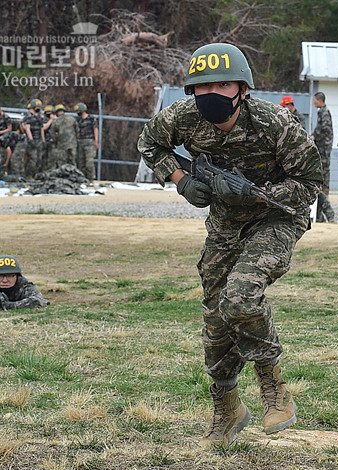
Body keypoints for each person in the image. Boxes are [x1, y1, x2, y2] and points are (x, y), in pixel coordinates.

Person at [137, 42, 322, 449]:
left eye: (222, 85)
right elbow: (149, 143)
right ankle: (227, 410)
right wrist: (181, 180)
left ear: (242, 88)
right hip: (224, 225)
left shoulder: (275, 124)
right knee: (216, 320)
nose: (212, 95)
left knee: (240, 297)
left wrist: (254, 193)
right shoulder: (183, 118)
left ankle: (275, 389)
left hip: (275, 217)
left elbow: (310, 185)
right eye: (203, 88)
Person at [311, 91, 335, 222]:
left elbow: (323, 128)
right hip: (322, 146)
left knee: (323, 174)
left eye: (315, 100)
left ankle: (325, 205)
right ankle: (320, 214)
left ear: (320, 100)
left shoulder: (324, 112)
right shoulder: (322, 111)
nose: (314, 103)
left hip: (324, 148)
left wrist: (315, 136)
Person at [48, 104, 78, 168]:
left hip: (61, 144)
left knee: (61, 162)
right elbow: (77, 130)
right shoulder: (72, 119)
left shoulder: (56, 121)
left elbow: (52, 133)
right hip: (72, 144)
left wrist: (56, 141)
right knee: (72, 161)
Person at [22, 99, 46, 179]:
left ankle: (35, 175)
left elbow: (41, 129)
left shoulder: (39, 116)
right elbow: (27, 129)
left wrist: (43, 141)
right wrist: (31, 140)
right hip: (31, 141)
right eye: (37, 106)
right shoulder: (28, 116)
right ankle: (28, 176)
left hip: (39, 140)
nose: (39, 108)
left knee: (39, 159)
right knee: (33, 159)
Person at [75, 102, 99, 181]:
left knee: (89, 162)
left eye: (78, 111)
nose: (77, 113)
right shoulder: (78, 120)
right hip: (80, 142)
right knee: (81, 162)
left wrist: (96, 141)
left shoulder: (91, 118)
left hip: (89, 142)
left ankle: (91, 179)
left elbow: (95, 129)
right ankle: (82, 179)